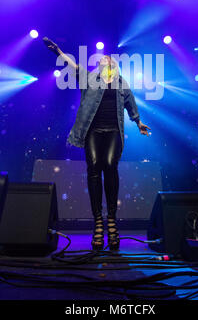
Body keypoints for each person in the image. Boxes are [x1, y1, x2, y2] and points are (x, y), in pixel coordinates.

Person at [44, 37, 150, 251]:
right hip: (93, 130)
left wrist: (138, 122)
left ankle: (111, 220)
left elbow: (131, 103)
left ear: (114, 65)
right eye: (103, 59)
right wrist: (58, 52)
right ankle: (98, 223)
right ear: (99, 65)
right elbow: (73, 66)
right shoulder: (90, 78)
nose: (106, 59)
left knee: (110, 165)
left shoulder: (121, 82)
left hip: (113, 131)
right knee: (94, 167)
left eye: (109, 59)